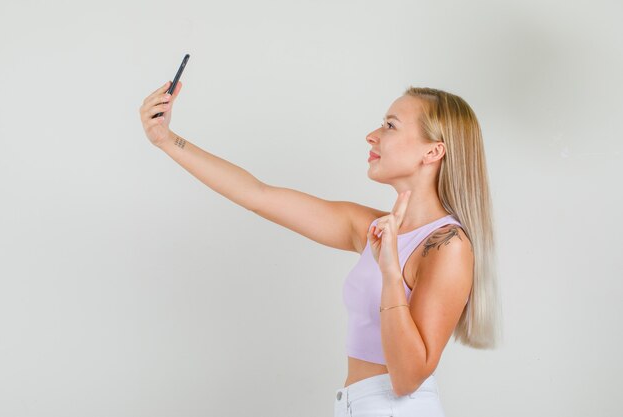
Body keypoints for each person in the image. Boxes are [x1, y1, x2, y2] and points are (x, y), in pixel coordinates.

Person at [139, 82, 502, 416]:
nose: (372, 136)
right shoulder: (374, 230)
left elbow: (407, 379)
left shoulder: (448, 246)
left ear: (433, 151)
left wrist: (391, 272)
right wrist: (167, 140)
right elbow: (257, 196)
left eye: (390, 126)